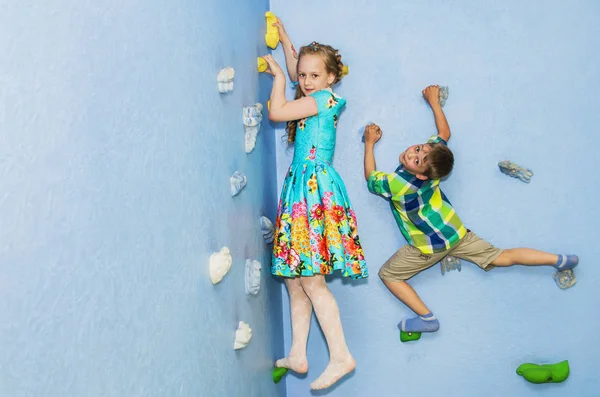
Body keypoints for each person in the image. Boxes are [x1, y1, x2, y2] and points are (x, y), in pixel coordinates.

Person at [363, 85, 578, 336]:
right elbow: (444, 133)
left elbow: (370, 178)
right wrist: (434, 102)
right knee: (501, 256)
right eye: (419, 148)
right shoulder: (436, 167)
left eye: (418, 158)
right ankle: (560, 260)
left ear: (422, 174)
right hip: (457, 233)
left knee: (388, 275)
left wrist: (369, 145)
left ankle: (427, 318)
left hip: (428, 247)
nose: (413, 152)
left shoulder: (398, 184)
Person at [260, 19, 368, 391]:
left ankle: (341, 356)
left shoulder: (321, 100)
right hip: (303, 188)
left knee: (312, 280)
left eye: (314, 75)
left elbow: (277, 112)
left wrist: (277, 79)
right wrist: (287, 39)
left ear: (331, 78)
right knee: (294, 280)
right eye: (302, 75)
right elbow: (298, 67)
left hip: (311, 190)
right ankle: (299, 354)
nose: (304, 80)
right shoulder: (319, 93)